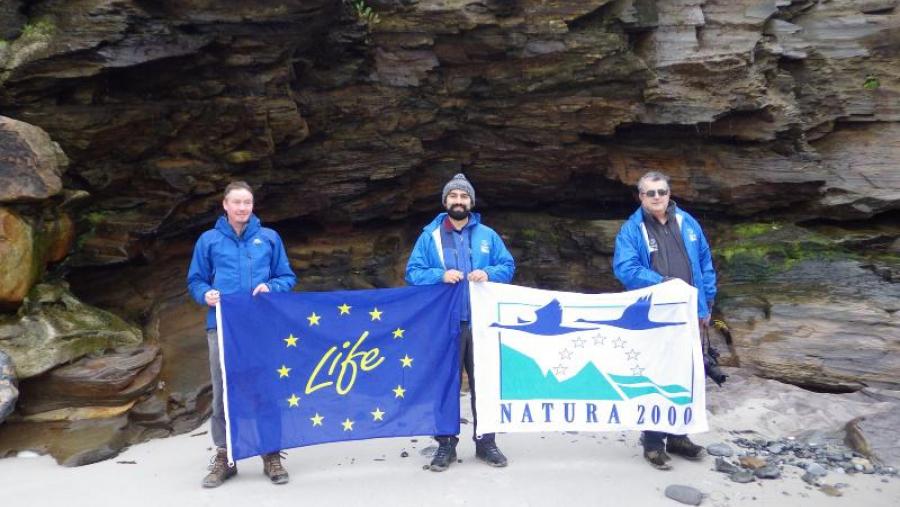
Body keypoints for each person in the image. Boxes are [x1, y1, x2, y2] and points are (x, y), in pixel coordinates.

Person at [187, 181, 297, 487]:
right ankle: (226, 455)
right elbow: (195, 280)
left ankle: (270, 453)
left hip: (261, 327)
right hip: (222, 326)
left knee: (265, 388)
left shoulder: (269, 238)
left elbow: (286, 276)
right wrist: (205, 293)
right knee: (223, 391)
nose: (242, 208)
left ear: (253, 205)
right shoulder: (208, 241)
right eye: (236, 202)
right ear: (225, 205)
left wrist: (272, 287)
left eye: (247, 202)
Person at [406, 173, 516, 472]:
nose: (458, 201)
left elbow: (508, 266)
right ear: (445, 202)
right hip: (445, 323)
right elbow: (413, 272)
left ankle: (486, 442)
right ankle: (445, 445)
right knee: (445, 385)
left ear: (471, 202)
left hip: (482, 323)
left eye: (463, 196)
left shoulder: (488, 236)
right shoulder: (430, 236)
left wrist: (489, 273)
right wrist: (438, 276)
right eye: (453, 196)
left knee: (485, 384)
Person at [612, 170, 716, 471]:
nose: (657, 197)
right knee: (655, 376)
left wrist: (706, 302)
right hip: (654, 315)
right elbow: (626, 268)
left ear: (669, 194)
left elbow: (705, 264)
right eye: (650, 193)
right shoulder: (632, 230)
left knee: (685, 374)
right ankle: (654, 443)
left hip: (688, 313)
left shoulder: (688, 223)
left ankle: (679, 436)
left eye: (662, 191)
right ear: (640, 197)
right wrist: (663, 282)